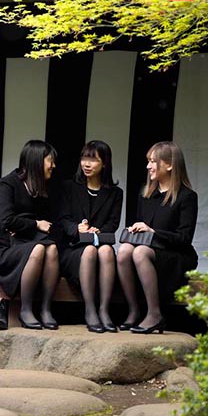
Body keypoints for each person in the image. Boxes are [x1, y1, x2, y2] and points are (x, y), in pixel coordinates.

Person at [117, 141, 197, 334]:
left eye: (153, 161)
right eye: (149, 161)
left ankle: (154, 315)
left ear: (169, 165)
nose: (148, 166)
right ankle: (134, 310)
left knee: (140, 252)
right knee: (124, 250)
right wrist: (135, 230)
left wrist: (153, 232)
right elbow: (142, 230)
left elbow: (184, 238)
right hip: (150, 251)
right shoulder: (146, 194)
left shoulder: (187, 197)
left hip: (177, 255)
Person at [0, 140, 61, 330]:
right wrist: (35, 224)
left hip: (29, 242)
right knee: (39, 249)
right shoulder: (8, 184)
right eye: (50, 161)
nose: (53, 166)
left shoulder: (41, 187)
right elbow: (7, 221)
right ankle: (26, 309)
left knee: (52, 249)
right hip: (6, 248)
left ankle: (45, 309)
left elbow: (50, 225)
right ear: (36, 161)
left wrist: (22, 224)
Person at [58, 141, 123, 333]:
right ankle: (90, 309)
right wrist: (77, 228)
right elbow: (62, 219)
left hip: (99, 245)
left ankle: (104, 309)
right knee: (89, 251)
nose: (86, 164)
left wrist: (98, 231)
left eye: (93, 160)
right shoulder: (68, 187)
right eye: (84, 158)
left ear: (105, 163)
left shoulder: (115, 193)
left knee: (106, 250)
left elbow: (113, 223)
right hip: (73, 249)